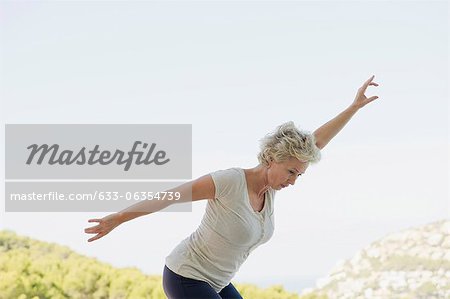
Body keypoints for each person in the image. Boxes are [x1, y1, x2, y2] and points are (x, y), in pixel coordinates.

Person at [84, 75, 379, 298]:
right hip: (186, 275)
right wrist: (120, 217)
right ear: (270, 159)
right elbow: (170, 197)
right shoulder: (229, 182)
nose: (293, 180)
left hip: (218, 281)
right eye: (291, 171)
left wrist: (353, 108)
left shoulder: (270, 190)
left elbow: (315, 142)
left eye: (299, 175)